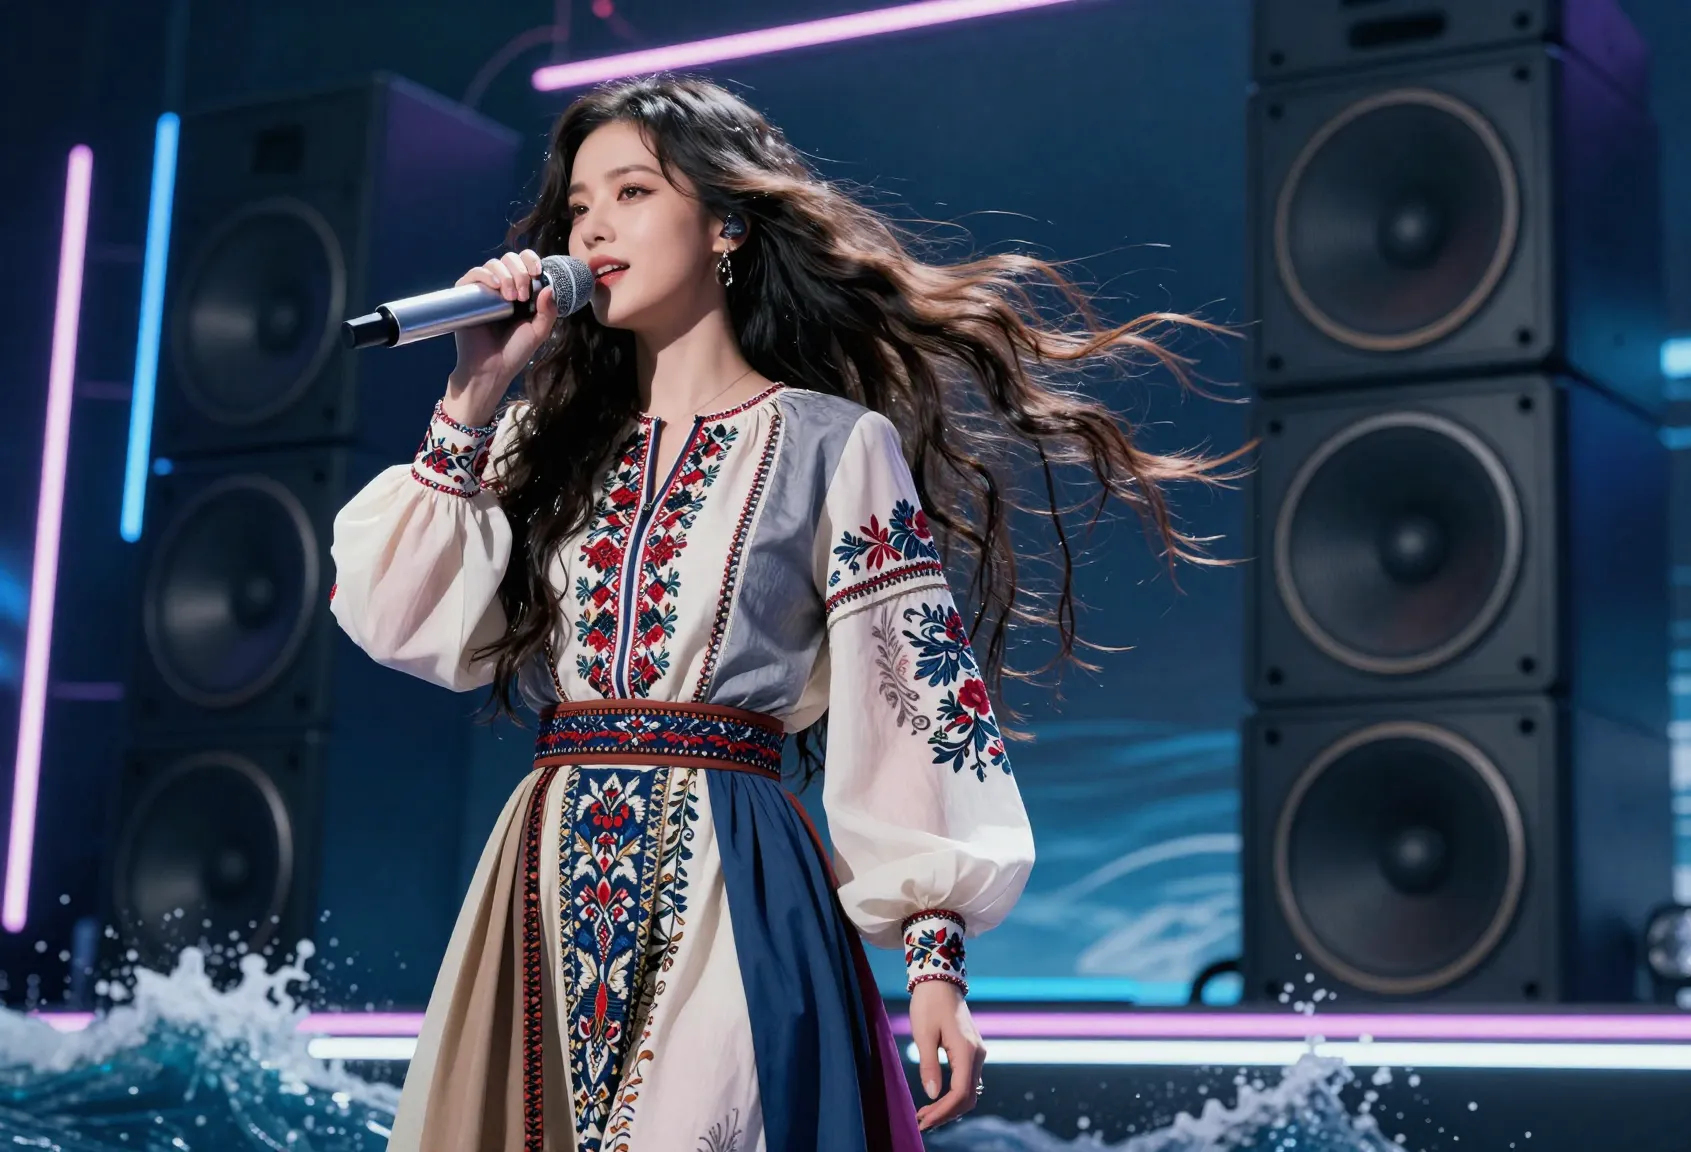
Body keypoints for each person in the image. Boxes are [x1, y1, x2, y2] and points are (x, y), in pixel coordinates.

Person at [329, 73, 1242, 1151]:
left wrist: (934, 963)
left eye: (631, 192)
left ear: (725, 224)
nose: (594, 228)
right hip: (543, 868)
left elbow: (911, 698)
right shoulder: (540, 443)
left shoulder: (832, 444)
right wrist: (472, 400)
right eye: (578, 207)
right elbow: (396, 618)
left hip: (734, 873)